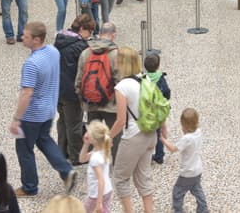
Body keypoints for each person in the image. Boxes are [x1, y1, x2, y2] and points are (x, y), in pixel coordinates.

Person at [9, 21, 78, 197]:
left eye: (25, 36)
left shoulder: (31, 64)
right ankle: (66, 170)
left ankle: (29, 187)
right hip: (48, 110)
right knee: (44, 140)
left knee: (24, 149)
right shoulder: (53, 52)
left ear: (36, 39)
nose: (22, 38)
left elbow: (26, 93)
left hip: (31, 115)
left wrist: (17, 119)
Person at [109, 46, 161, 213]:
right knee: (143, 176)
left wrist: (108, 137)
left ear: (123, 62)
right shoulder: (146, 79)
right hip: (150, 134)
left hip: (133, 137)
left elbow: (121, 120)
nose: (115, 61)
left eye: (117, 59)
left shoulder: (122, 86)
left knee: (120, 178)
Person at [76, 22, 121, 156]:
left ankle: (93, 161)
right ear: (114, 35)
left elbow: (78, 80)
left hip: (91, 102)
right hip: (111, 104)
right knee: (114, 136)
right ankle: (113, 163)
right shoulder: (116, 54)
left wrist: (83, 100)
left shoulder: (85, 53)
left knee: (93, 135)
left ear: (99, 34)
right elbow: (120, 82)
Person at [56, 14, 95, 164]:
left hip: (57, 89)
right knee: (74, 124)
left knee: (62, 120)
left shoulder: (60, 39)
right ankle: (77, 156)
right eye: (89, 31)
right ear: (82, 28)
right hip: (71, 92)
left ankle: (61, 151)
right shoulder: (80, 46)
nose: (89, 35)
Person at [161, 108, 209, 213]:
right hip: (197, 170)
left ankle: (178, 210)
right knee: (196, 189)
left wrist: (162, 139)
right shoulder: (198, 132)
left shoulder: (187, 139)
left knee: (177, 192)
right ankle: (203, 209)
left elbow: (173, 149)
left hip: (187, 172)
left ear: (185, 125)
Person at [79, 120, 113, 213]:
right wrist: (86, 144)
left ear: (94, 139)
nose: (86, 134)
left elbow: (100, 180)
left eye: (89, 133)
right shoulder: (103, 149)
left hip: (96, 194)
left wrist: (98, 202)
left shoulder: (95, 158)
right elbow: (82, 159)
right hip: (108, 190)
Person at [144, 54, 172, 165]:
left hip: (147, 110)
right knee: (158, 132)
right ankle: (159, 155)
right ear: (158, 65)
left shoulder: (143, 78)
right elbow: (167, 92)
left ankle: (145, 155)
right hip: (159, 110)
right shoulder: (161, 78)